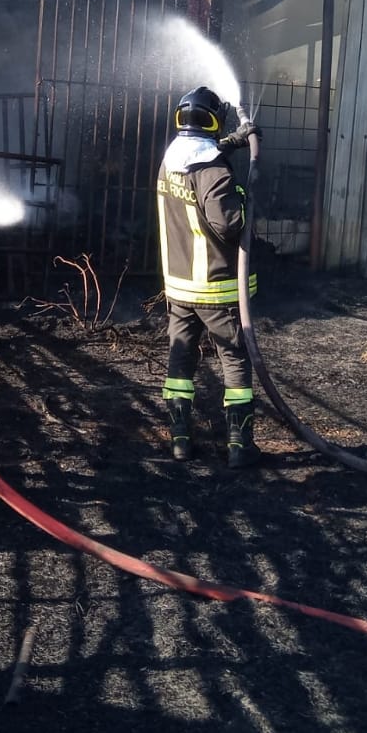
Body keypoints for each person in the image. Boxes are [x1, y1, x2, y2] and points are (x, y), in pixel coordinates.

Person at [156, 85, 261, 470]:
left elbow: (200, 167)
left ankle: (181, 440)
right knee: (234, 359)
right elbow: (228, 222)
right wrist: (243, 194)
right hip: (214, 288)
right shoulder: (214, 170)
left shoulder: (171, 160)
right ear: (213, 121)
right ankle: (239, 446)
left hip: (179, 287)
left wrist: (233, 142)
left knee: (180, 362)